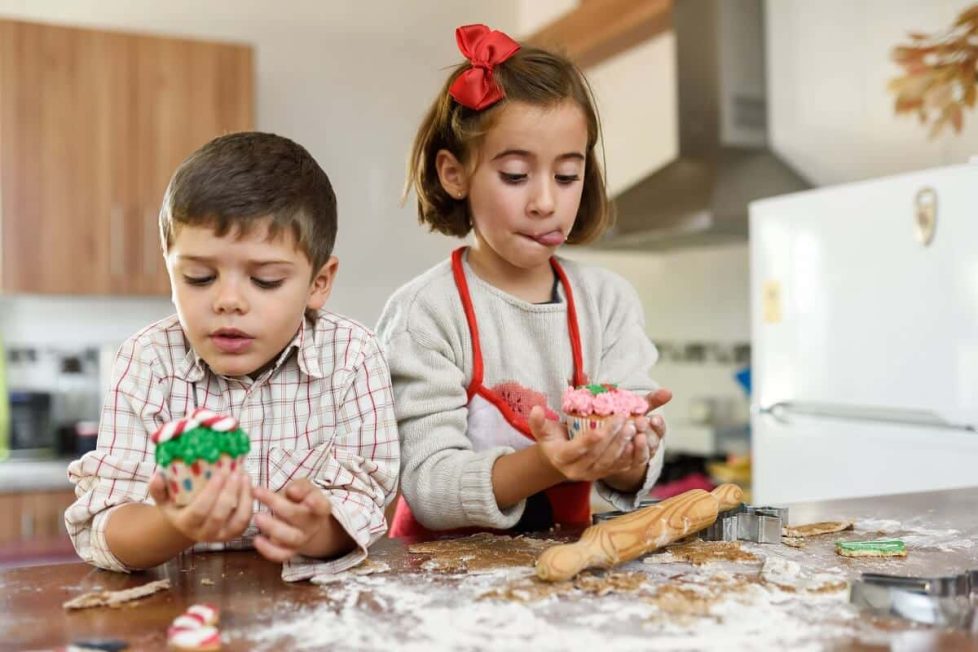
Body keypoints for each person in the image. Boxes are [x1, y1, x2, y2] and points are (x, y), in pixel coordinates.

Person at [377, 24, 671, 537]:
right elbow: (428, 485)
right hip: (440, 581)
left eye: (566, 176)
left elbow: (635, 470)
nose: (545, 202)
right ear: (454, 174)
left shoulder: (608, 302)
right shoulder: (425, 314)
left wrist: (629, 451)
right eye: (515, 175)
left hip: (559, 569)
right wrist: (551, 462)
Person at [65, 132, 399, 581]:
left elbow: (366, 497)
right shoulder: (147, 362)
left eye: (265, 281)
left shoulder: (353, 356)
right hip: (176, 611)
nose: (228, 301)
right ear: (169, 269)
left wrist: (315, 531)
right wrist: (174, 524)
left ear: (319, 282)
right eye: (199, 278)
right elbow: (104, 525)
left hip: (305, 605)